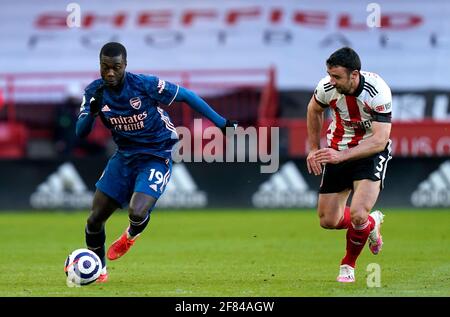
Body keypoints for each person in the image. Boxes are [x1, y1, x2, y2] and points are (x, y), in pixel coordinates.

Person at [76, 42, 238, 283]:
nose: (110, 72)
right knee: (94, 219)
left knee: (137, 210)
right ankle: (99, 272)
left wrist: (222, 123)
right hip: (125, 155)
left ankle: (130, 235)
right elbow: (80, 133)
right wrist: (91, 112)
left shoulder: (144, 85)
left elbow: (186, 96)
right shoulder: (94, 92)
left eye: (116, 67)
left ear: (125, 66)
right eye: (105, 67)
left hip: (156, 153)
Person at [306, 47, 392, 283]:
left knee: (357, 213)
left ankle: (348, 266)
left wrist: (340, 157)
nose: (331, 81)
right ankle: (371, 223)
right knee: (328, 220)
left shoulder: (378, 92)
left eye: (337, 77)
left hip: (369, 153)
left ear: (354, 75)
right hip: (337, 149)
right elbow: (313, 110)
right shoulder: (326, 88)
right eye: (329, 75)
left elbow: (379, 140)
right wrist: (314, 149)